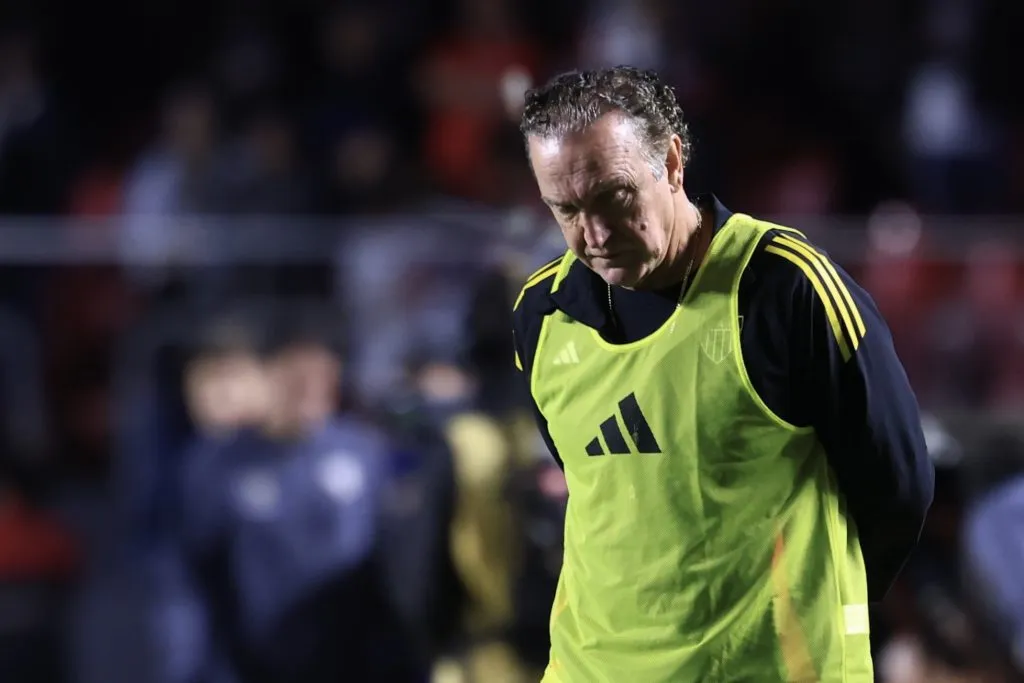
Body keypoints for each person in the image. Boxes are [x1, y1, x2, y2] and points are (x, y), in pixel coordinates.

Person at [510, 66, 935, 682]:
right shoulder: (540, 315)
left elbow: (898, 491)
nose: (594, 234)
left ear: (673, 163)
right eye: (566, 209)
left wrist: (800, 611)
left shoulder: (788, 290)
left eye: (614, 197)